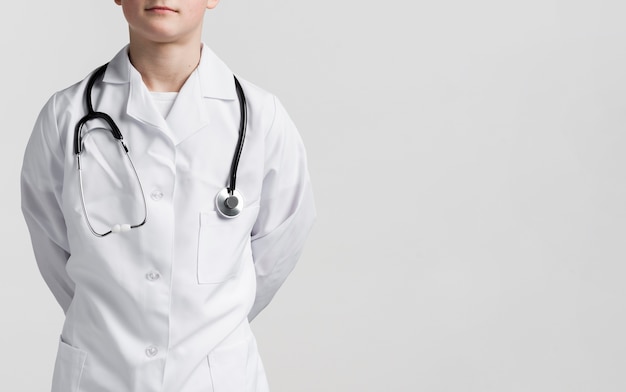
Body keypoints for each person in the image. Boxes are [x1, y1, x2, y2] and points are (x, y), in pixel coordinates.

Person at [20, 0, 316, 391]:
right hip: (101, 375)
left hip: (216, 379)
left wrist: (207, 320)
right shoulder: (65, 116)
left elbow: (279, 246)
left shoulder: (262, 118)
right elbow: (51, 241)